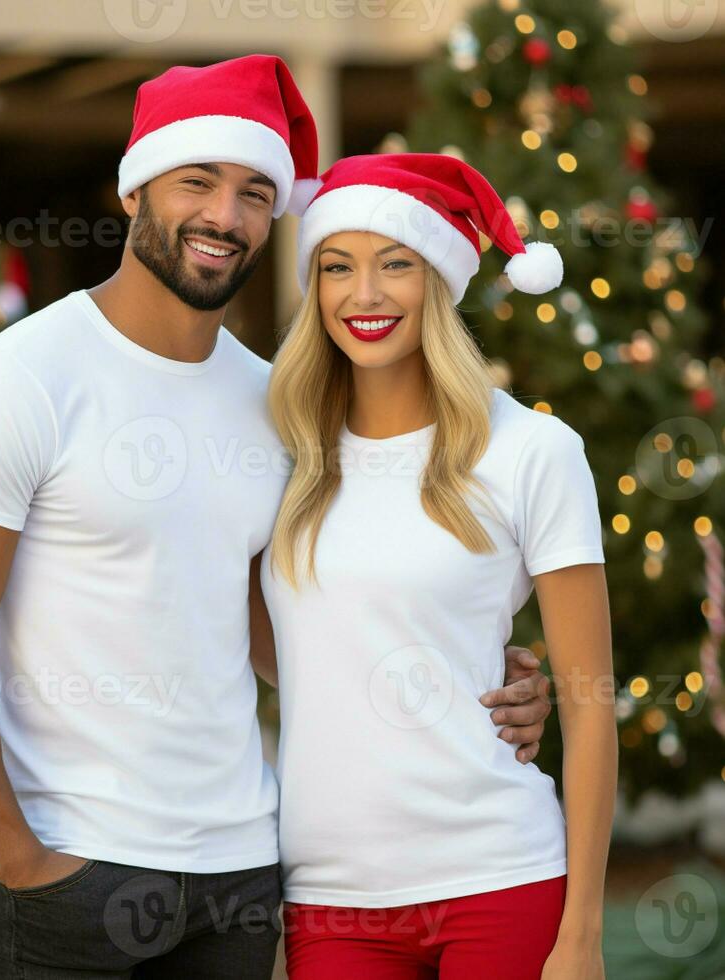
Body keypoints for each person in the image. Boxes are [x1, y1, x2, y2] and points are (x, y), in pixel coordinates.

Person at [0, 58, 552, 978]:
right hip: (67, 871)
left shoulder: (273, 401)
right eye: (196, 182)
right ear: (136, 192)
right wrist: (18, 858)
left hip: (240, 878)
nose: (226, 216)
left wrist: (480, 678)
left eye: (255, 192)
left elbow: (281, 624)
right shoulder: (15, 382)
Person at [259, 153, 617, 979]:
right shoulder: (283, 455)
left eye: (397, 265)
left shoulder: (533, 452)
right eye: (337, 267)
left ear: (441, 283)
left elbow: (591, 704)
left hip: (500, 878)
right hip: (331, 897)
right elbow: (284, 648)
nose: (366, 295)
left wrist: (583, 936)